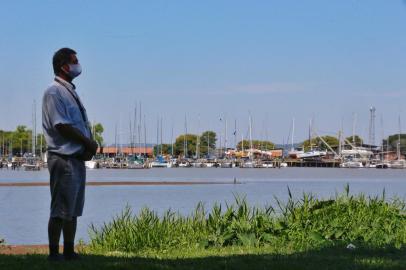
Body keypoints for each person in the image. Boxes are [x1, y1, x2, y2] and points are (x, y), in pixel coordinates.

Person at [42, 48, 98, 261]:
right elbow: (62, 126)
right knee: (60, 209)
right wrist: (87, 142)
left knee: (73, 209)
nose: (78, 65)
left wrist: (86, 148)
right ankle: (54, 254)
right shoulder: (54, 92)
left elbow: (77, 124)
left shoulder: (69, 91)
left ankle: (69, 251)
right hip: (62, 158)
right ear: (64, 66)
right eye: (74, 61)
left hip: (75, 158)